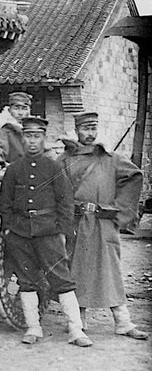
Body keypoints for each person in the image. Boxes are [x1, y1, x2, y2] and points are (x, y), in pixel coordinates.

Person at [0, 116, 92, 347]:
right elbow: (5, 204)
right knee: (27, 281)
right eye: (28, 136)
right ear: (23, 138)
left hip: (49, 232)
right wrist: (11, 230)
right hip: (21, 234)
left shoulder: (54, 167)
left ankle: (76, 330)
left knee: (62, 280)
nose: (32, 141)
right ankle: (33, 328)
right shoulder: (13, 170)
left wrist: (62, 231)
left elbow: (66, 202)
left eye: (37, 136)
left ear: (43, 138)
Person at [58, 111, 148, 340]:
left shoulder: (111, 158)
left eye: (93, 128)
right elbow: (56, 190)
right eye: (85, 129)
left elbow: (135, 176)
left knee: (111, 272)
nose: (90, 134)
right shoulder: (66, 159)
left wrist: (123, 211)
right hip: (77, 224)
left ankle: (123, 322)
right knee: (76, 271)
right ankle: (78, 322)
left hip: (104, 223)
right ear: (77, 130)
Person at [0, 92, 31, 170]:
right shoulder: (2, 131)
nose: (21, 113)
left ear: (29, 111)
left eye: (24, 108)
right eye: (16, 108)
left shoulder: (33, 130)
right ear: (9, 110)